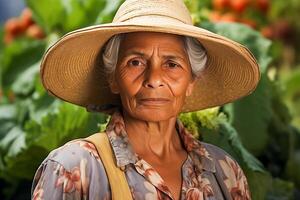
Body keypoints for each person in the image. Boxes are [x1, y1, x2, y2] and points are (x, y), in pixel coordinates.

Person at [31, 0, 260, 199]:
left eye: (172, 64)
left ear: (191, 81)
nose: (154, 79)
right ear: (113, 78)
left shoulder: (225, 171)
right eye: (135, 62)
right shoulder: (75, 167)